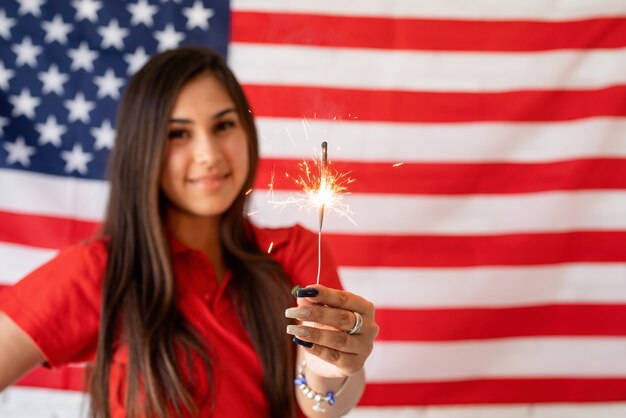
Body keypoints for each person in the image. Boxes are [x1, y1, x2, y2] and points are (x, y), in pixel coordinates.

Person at [0, 46, 379, 418]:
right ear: (143, 148)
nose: (209, 154)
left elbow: (321, 407)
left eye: (224, 125)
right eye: (178, 134)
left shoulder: (291, 252)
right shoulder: (100, 270)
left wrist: (329, 366)